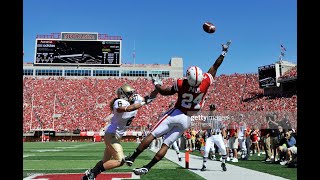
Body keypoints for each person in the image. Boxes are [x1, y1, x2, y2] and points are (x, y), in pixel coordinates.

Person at [125, 40, 231, 175]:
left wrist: (157, 84)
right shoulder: (205, 83)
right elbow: (215, 66)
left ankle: (132, 158)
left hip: (176, 112)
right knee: (166, 144)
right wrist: (224, 52)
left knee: (153, 135)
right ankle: (148, 167)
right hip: (188, 120)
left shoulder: (182, 83)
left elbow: (164, 92)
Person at [81, 83, 158, 180]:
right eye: (130, 93)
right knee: (120, 161)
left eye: (132, 93)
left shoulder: (135, 99)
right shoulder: (119, 101)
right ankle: (92, 172)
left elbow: (149, 97)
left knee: (105, 161)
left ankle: (89, 176)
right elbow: (126, 109)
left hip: (116, 136)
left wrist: (158, 87)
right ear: (123, 94)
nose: (133, 95)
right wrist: (143, 103)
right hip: (111, 135)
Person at [200, 104, 227, 171]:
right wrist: (207, 126)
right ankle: (204, 165)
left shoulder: (219, 117)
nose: (212, 111)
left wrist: (225, 137)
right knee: (206, 150)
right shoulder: (207, 118)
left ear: (215, 110)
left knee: (223, 149)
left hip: (218, 135)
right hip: (210, 136)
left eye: (213, 110)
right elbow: (202, 127)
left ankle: (223, 163)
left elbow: (223, 128)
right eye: (211, 109)